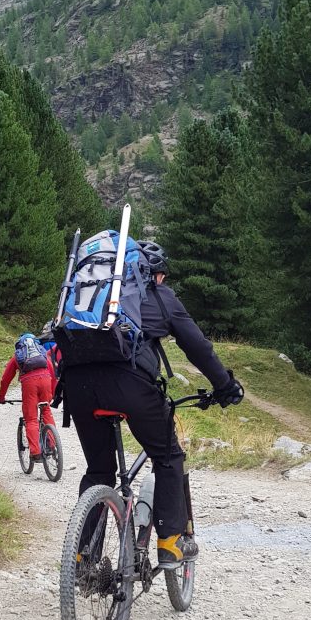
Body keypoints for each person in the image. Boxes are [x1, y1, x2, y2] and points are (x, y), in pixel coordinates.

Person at [60, 241, 244, 568]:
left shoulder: (87, 292)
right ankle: (171, 542)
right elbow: (197, 346)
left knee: (99, 470)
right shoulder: (160, 295)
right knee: (168, 455)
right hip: (129, 383)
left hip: (77, 384)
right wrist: (225, 386)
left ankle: (82, 559)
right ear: (154, 274)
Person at [0, 333, 57, 462]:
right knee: (46, 410)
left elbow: (5, 379)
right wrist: (52, 394)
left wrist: (1, 397)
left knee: (30, 419)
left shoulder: (18, 355)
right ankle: (52, 445)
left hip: (29, 383)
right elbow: (52, 373)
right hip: (45, 380)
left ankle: (35, 453)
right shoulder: (41, 352)